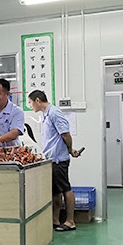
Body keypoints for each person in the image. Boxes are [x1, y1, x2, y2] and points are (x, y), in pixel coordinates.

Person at [28, 89, 84, 232]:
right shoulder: (45, 115)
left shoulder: (54, 113)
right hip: (51, 159)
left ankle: (70, 221)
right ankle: (55, 220)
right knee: (55, 191)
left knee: (66, 189)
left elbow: (66, 135)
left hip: (59, 160)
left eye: (30, 102)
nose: (30, 105)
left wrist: (70, 149)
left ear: (37, 100)